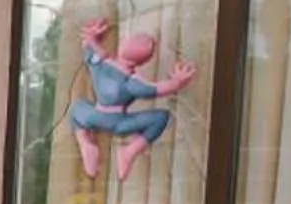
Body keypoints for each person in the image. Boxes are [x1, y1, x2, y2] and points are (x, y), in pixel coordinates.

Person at [69, 14, 197, 181]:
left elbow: (89, 48)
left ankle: (84, 142)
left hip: (93, 114)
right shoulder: (131, 83)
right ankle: (129, 151)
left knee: (77, 108)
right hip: (117, 123)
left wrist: (92, 37)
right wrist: (177, 82)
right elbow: (156, 90)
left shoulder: (100, 63)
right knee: (161, 117)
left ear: (123, 45)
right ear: (144, 60)